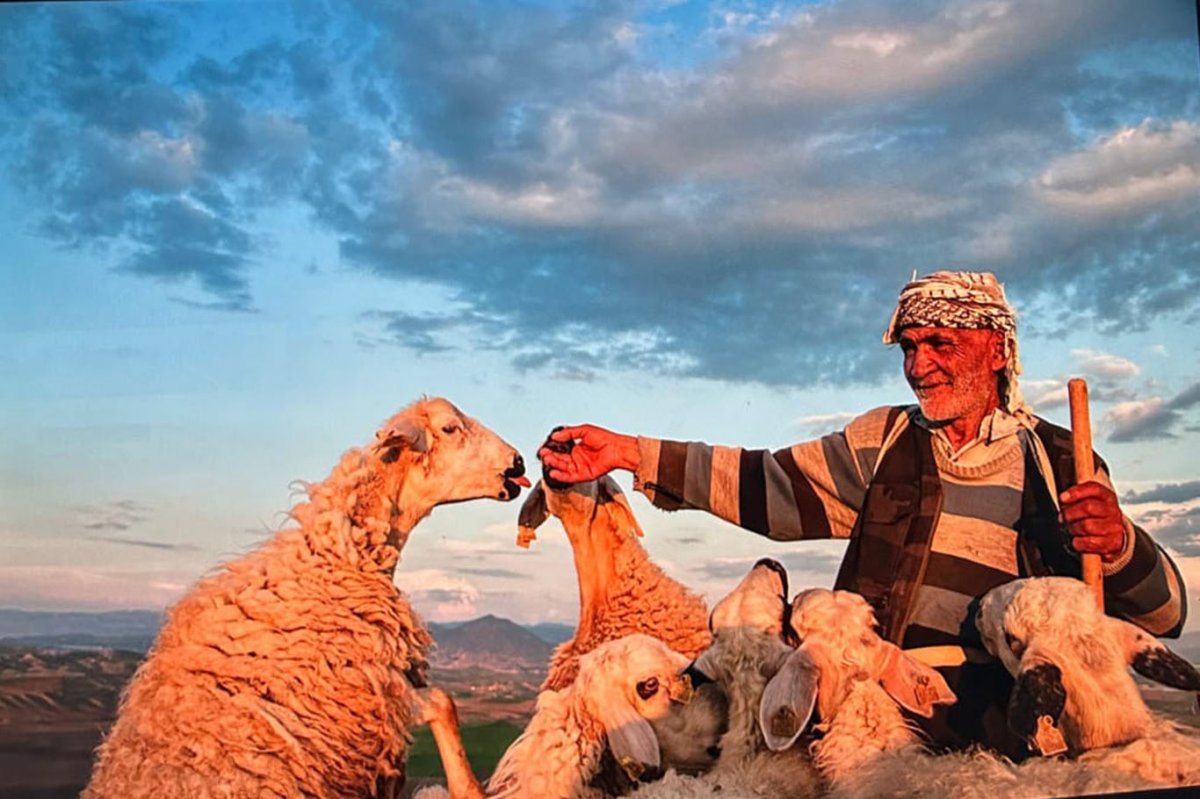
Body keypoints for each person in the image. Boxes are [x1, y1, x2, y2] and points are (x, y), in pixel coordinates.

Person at [538, 270, 1186, 757]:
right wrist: (628, 451)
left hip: (1010, 741)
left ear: (997, 350)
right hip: (869, 725)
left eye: (938, 342)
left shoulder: (1060, 460)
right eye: (907, 345)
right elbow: (765, 482)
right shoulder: (883, 441)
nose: (917, 364)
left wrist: (1122, 543)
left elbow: (1165, 614)